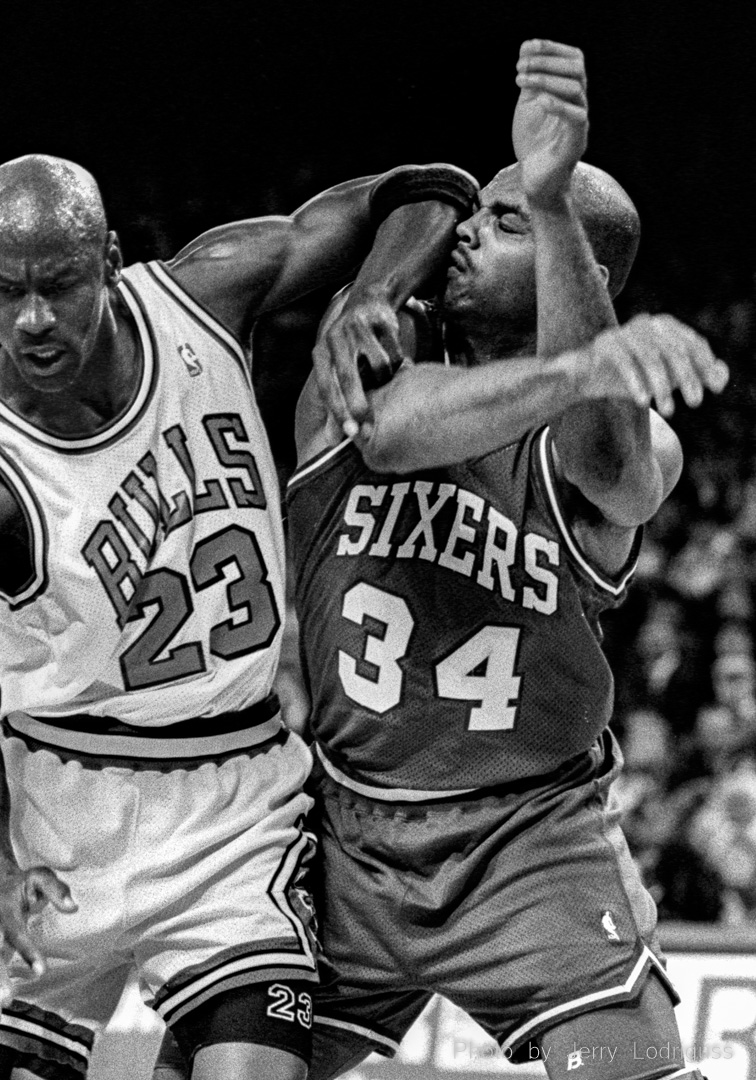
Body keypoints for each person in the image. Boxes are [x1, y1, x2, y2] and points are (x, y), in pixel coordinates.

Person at [0, 152, 481, 1080]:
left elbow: (425, 191)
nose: (34, 318)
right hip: (51, 808)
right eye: (7, 291)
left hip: (232, 804)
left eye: (61, 285)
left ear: (112, 259)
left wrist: (375, 292)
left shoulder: (204, 298)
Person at [285, 39, 728, 1080]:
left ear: (580, 274)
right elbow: (387, 434)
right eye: (476, 216)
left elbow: (613, 461)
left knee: (636, 1074)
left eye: (504, 222)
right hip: (350, 836)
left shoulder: (615, 437)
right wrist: (569, 347)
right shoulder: (366, 360)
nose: (468, 237)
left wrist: (556, 199)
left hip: (531, 847)